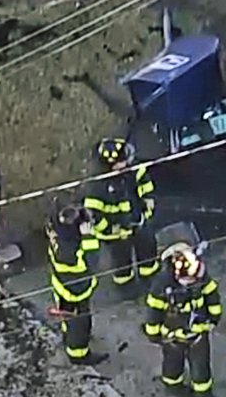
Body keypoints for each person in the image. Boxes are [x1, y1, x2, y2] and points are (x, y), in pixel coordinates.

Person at [143, 244, 223, 397]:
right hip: (172, 337)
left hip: (198, 334)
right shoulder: (162, 285)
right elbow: (154, 311)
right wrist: (153, 334)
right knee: (172, 365)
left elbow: (212, 296)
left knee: (201, 367)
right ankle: (174, 387)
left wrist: (214, 319)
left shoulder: (200, 275)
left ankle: (204, 394)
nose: (192, 282)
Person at [83, 137, 159, 298]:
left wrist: (148, 197)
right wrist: (111, 229)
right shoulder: (98, 187)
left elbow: (144, 179)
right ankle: (127, 290)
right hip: (116, 234)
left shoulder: (132, 168)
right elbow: (94, 216)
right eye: (123, 161)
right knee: (122, 264)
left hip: (139, 221)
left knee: (148, 254)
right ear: (112, 165)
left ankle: (150, 282)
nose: (128, 162)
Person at [47, 204, 107, 365]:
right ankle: (79, 355)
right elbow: (91, 262)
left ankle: (68, 338)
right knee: (79, 324)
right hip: (74, 291)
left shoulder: (57, 230)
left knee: (67, 319)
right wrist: (88, 237)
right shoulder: (70, 249)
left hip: (61, 286)